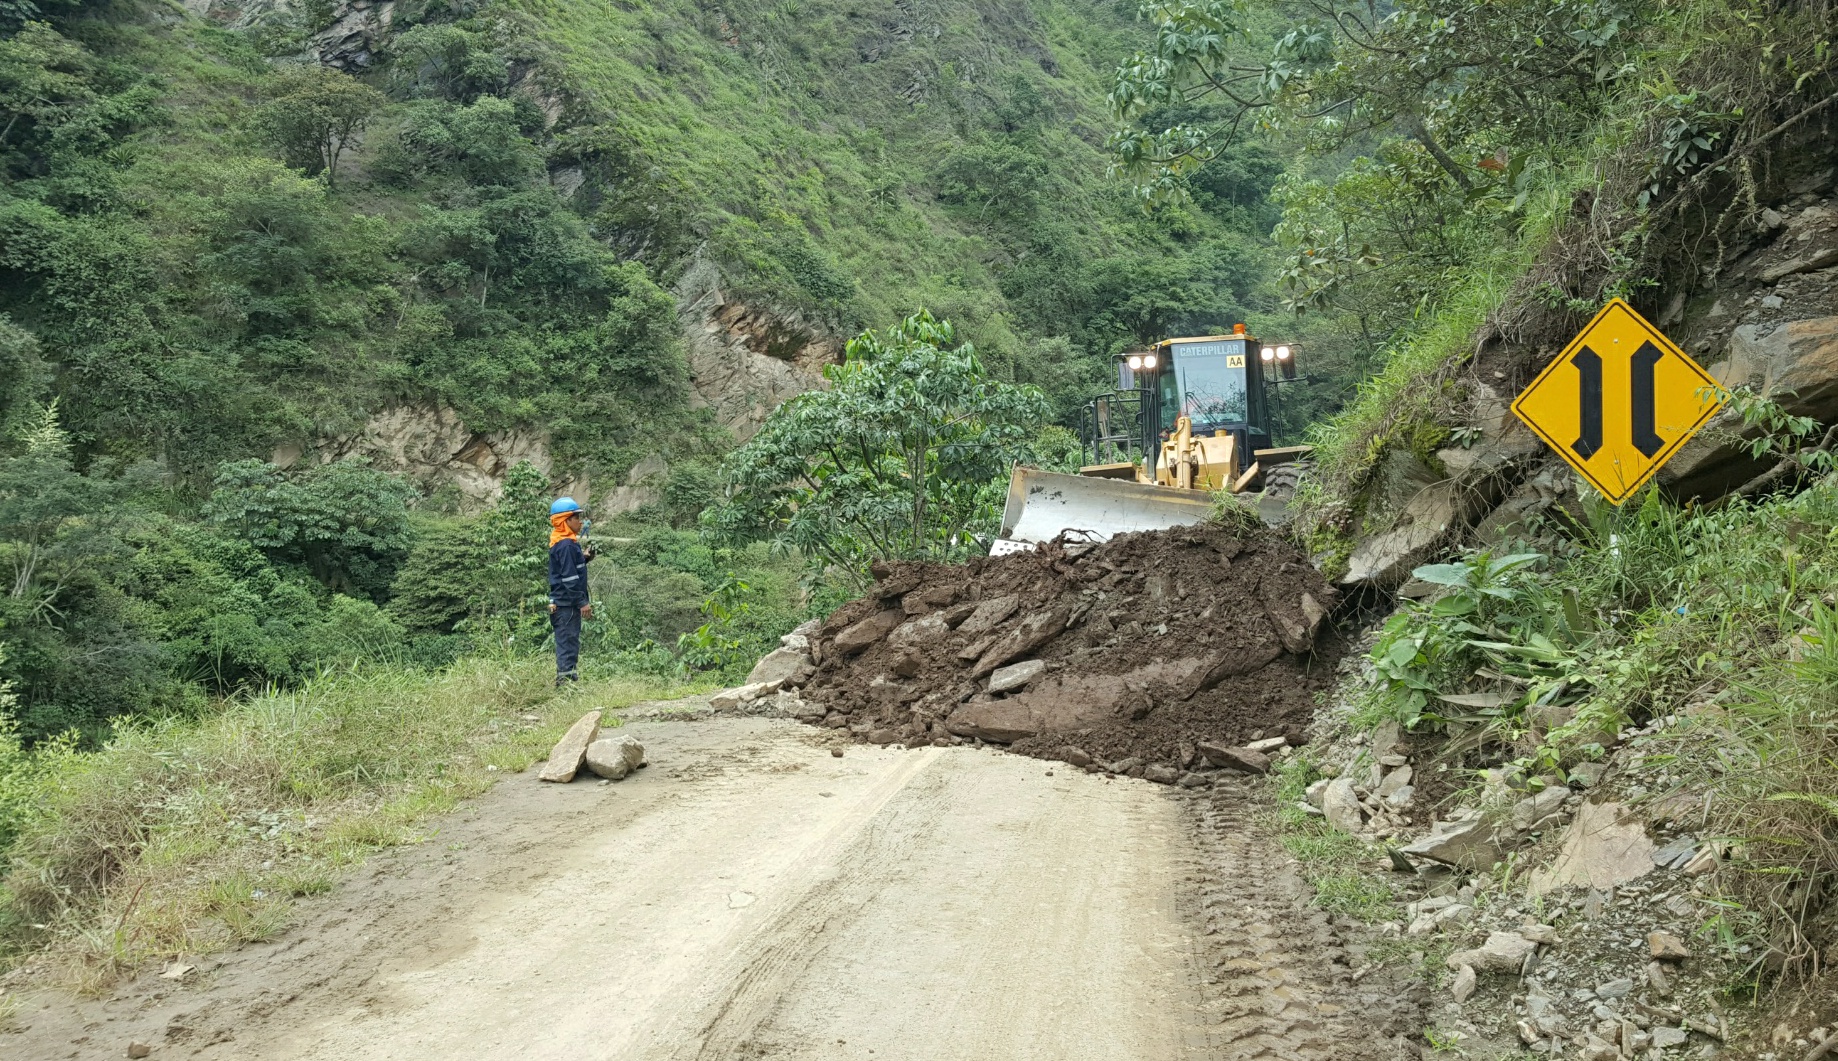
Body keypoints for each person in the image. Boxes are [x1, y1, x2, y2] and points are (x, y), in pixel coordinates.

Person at [547, 497, 595, 684]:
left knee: (570, 642)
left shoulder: (565, 541)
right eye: (576, 518)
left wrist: (584, 558)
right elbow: (569, 579)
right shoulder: (566, 545)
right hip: (566, 604)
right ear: (565, 521)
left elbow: (569, 568)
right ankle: (565, 686)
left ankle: (569, 682)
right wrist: (582, 602)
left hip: (565, 603)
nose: (580, 522)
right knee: (567, 644)